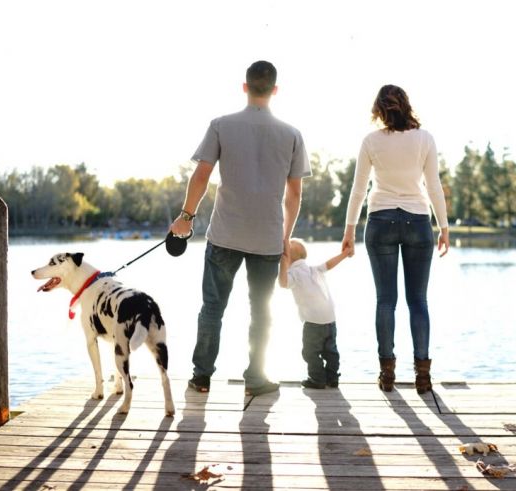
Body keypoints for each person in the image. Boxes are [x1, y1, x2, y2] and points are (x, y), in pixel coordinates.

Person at [170, 60, 311, 396]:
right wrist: (286, 236)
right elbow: (294, 195)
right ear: (274, 90)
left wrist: (185, 217)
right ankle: (256, 379)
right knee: (261, 310)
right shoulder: (291, 134)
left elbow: (201, 176)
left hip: (225, 235)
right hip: (266, 238)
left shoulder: (221, 125)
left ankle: (201, 377)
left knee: (212, 308)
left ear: (245, 87)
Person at [341, 84, 449, 394]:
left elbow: (358, 189)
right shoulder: (424, 139)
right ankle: (423, 377)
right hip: (417, 222)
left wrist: (349, 230)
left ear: (379, 110)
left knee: (386, 301)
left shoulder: (371, 141)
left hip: (380, 221)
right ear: (406, 106)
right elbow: (434, 186)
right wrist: (444, 226)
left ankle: (387, 376)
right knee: (418, 302)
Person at [278, 239, 351, 389]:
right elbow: (329, 264)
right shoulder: (313, 269)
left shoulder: (293, 273)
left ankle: (317, 379)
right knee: (330, 350)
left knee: (310, 352)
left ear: (288, 258)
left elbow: (283, 283)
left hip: (313, 322)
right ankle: (332, 378)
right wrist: (344, 254)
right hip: (330, 319)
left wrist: (282, 264)